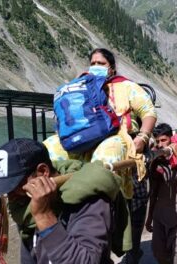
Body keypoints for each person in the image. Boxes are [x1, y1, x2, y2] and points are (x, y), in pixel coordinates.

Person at [43, 48, 157, 263]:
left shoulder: (127, 87)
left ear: (111, 67)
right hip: (82, 140)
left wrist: (141, 137)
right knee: (47, 148)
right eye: (92, 62)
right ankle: (53, 201)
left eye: (101, 63)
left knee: (107, 156)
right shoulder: (79, 86)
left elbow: (148, 112)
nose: (95, 66)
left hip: (117, 138)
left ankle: (99, 211)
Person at [0, 138, 121, 263]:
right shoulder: (25, 208)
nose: (10, 197)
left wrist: (44, 216)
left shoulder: (90, 200)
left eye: (14, 187)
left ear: (42, 172)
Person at [145, 124, 177, 264]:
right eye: (157, 141)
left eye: (163, 140)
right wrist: (149, 217)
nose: (160, 145)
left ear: (171, 139)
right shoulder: (156, 158)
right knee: (158, 253)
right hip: (160, 213)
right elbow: (153, 191)